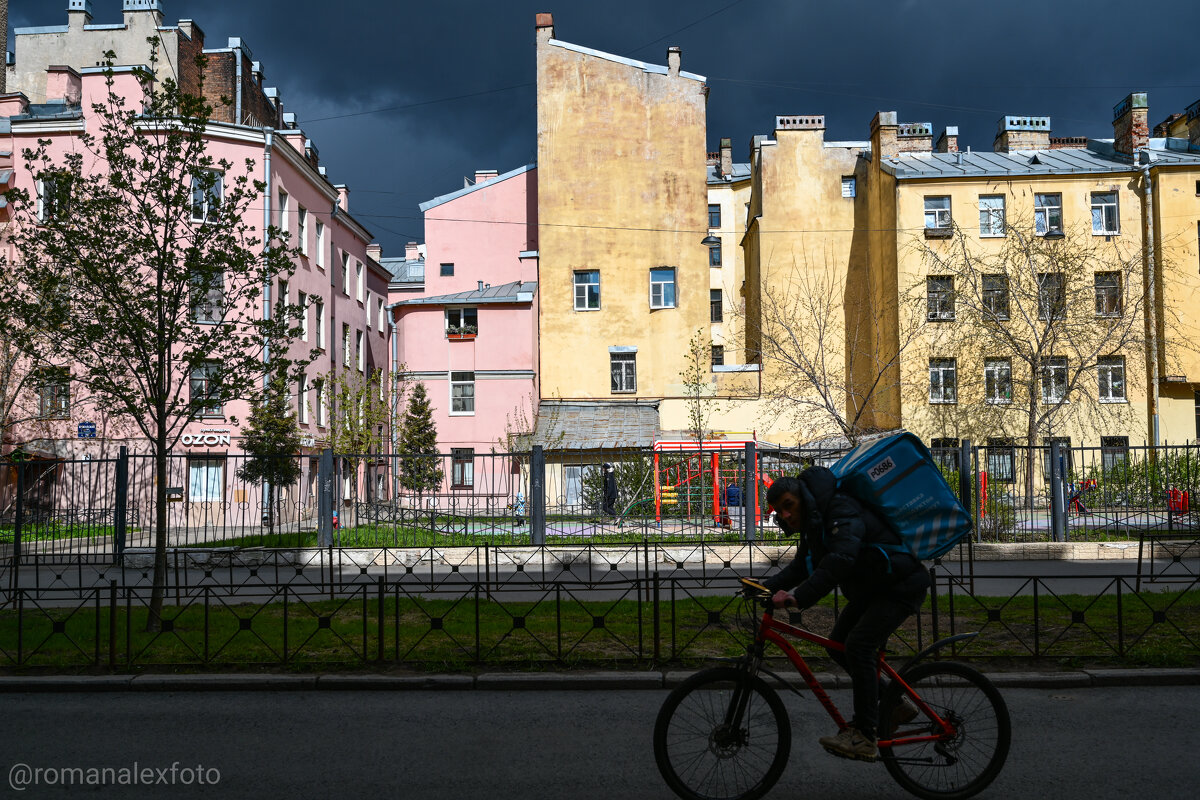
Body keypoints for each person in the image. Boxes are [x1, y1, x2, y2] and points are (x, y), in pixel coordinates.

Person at [761, 467, 930, 762]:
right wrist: (763, 588)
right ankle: (896, 704)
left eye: (789, 505)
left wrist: (798, 596)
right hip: (875, 588)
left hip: (899, 586)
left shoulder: (839, 507)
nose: (786, 515)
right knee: (838, 645)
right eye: (779, 511)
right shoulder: (816, 523)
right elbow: (802, 566)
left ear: (803, 496)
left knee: (859, 646)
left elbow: (840, 559)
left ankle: (864, 736)